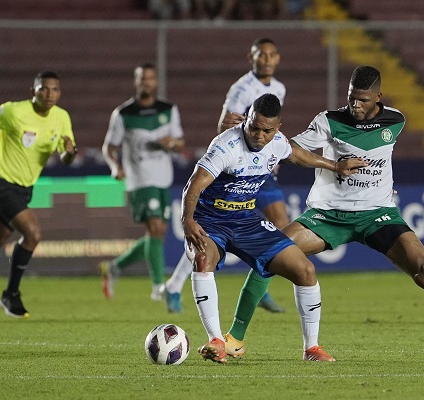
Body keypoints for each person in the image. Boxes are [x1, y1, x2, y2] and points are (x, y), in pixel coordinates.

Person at [223, 66, 424, 362]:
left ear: (378, 97)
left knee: (423, 268)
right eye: (352, 97)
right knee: (269, 254)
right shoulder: (329, 121)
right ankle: (234, 339)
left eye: (363, 100)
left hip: (377, 215)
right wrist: (252, 133)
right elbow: (291, 148)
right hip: (328, 215)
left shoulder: (396, 120)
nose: (355, 104)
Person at [182, 93, 366, 363]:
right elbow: (194, 185)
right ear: (247, 120)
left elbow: (299, 156)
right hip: (211, 221)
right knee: (202, 258)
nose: (259, 135)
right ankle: (217, 340)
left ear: (277, 128)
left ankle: (311, 348)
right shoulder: (226, 146)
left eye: (267, 130)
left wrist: (334, 165)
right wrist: (188, 220)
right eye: (254, 127)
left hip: (246, 220)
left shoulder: (277, 143)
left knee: (305, 270)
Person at [162, 38, 287, 314]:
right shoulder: (241, 88)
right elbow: (224, 125)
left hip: (260, 166)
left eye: (270, 55)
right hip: (238, 166)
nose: (265, 60)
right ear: (250, 58)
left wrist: (271, 153)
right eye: (260, 55)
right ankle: (175, 285)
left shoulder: (279, 88)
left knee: (281, 222)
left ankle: (259, 282)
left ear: (277, 58)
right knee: (209, 235)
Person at [0, 71, 77, 318]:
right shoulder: (13, 112)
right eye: (44, 89)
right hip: (0, 181)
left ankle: (9, 295)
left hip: (24, 188)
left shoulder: (61, 117)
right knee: (32, 233)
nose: (49, 94)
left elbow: (66, 157)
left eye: (54, 89)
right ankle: (11, 294)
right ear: (33, 91)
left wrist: (69, 152)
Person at [100, 63, 185, 302]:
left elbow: (180, 143)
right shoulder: (124, 113)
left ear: (155, 81)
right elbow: (109, 146)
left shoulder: (168, 109)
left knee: (157, 233)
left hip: (163, 178)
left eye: (150, 78)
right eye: (142, 79)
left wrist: (172, 144)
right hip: (139, 179)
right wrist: (115, 166)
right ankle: (158, 286)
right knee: (156, 228)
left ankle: (114, 267)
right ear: (135, 82)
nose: (146, 83)